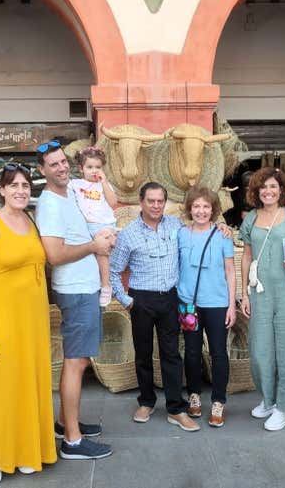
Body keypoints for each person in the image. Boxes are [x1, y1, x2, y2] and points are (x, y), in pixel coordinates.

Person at [0, 163, 57, 484]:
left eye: (25, 185)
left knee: (30, 382)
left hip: (33, 318)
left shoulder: (32, 221)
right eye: (14, 185)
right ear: (2, 190)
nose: (21, 190)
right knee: (2, 386)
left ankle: (27, 452)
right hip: (3, 318)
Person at [34, 140, 115, 461]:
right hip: (76, 289)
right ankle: (73, 441)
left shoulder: (69, 194)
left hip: (86, 286)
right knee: (76, 362)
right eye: (53, 165)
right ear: (42, 171)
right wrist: (94, 247)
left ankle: (63, 422)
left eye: (63, 162)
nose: (61, 167)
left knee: (79, 360)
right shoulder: (50, 203)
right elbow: (54, 254)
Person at [109, 182, 200, 432]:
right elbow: (114, 271)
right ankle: (146, 401)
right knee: (143, 353)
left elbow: (198, 237)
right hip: (142, 300)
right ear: (141, 201)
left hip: (170, 298)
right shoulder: (128, 234)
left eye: (160, 201)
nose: (156, 205)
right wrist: (127, 301)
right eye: (151, 201)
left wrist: (220, 228)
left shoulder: (176, 226)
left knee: (172, 353)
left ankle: (175, 408)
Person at [239, 167, 285, 431]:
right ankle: (269, 400)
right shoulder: (250, 218)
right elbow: (247, 256)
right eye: (263, 187)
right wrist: (244, 293)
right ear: (256, 191)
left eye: (273, 186)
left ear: (281, 189)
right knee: (260, 352)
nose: (268, 191)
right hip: (260, 293)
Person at [177, 186, 236, 428]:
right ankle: (193, 395)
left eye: (206, 207)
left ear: (213, 210)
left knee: (218, 352)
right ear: (190, 209)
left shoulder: (223, 234)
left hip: (217, 302)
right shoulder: (180, 233)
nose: (201, 211)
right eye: (196, 206)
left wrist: (232, 304)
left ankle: (218, 402)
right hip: (188, 302)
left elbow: (230, 270)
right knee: (191, 352)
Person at [70, 146, 118, 307]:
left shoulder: (104, 185)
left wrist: (104, 182)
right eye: (89, 167)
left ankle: (105, 285)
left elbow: (112, 203)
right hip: (85, 226)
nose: (94, 171)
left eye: (98, 167)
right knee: (84, 254)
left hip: (103, 225)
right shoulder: (75, 184)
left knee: (101, 251)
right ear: (81, 169)